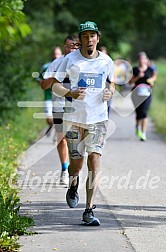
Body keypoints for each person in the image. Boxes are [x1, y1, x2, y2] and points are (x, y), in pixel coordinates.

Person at [51, 21, 115, 226]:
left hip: (98, 119)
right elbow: (55, 86)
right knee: (76, 164)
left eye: (92, 36)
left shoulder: (106, 61)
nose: (89, 40)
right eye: (85, 36)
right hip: (73, 119)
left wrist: (110, 91)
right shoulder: (69, 60)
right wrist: (70, 92)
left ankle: (89, 210)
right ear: (80, 39)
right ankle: (73, 182)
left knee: (95, 159)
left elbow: (111, 82)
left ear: (98, 37)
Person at [40, 35, 80, 185]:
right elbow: (44, 85)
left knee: (75, 140)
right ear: (65, 47)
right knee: (61, 139)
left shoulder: (82, 63)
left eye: (76, 46)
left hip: (77, 107)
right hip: (59, 105)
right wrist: (54, 77)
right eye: (70, 46)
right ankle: (64, 169)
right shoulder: (56, 63)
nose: (72, 49)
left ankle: (74, 170)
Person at [129, 51, 157, 141]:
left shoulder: (150, 69)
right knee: (139, 113)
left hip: (147, 94)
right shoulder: (135, 69)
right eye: (140, 59)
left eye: (143, 59)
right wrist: (138, 77)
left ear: (146, 60)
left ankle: (144, 133)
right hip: (136, 94)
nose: (142, 61)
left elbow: (154, 76)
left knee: (144, 113)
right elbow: (130, 82)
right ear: (138, 60)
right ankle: (137, 127)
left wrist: (151, 80)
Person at [37, 46, 62, 136]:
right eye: (55, 54)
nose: (56, 56)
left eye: (58, 54)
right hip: (49, 96)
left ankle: (57, 132)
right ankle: (52, 125)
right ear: (52, 55)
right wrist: (44, 83)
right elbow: (39, 79)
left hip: (60, 98)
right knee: (49, 119)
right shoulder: (46, 67)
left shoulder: (65, 66)